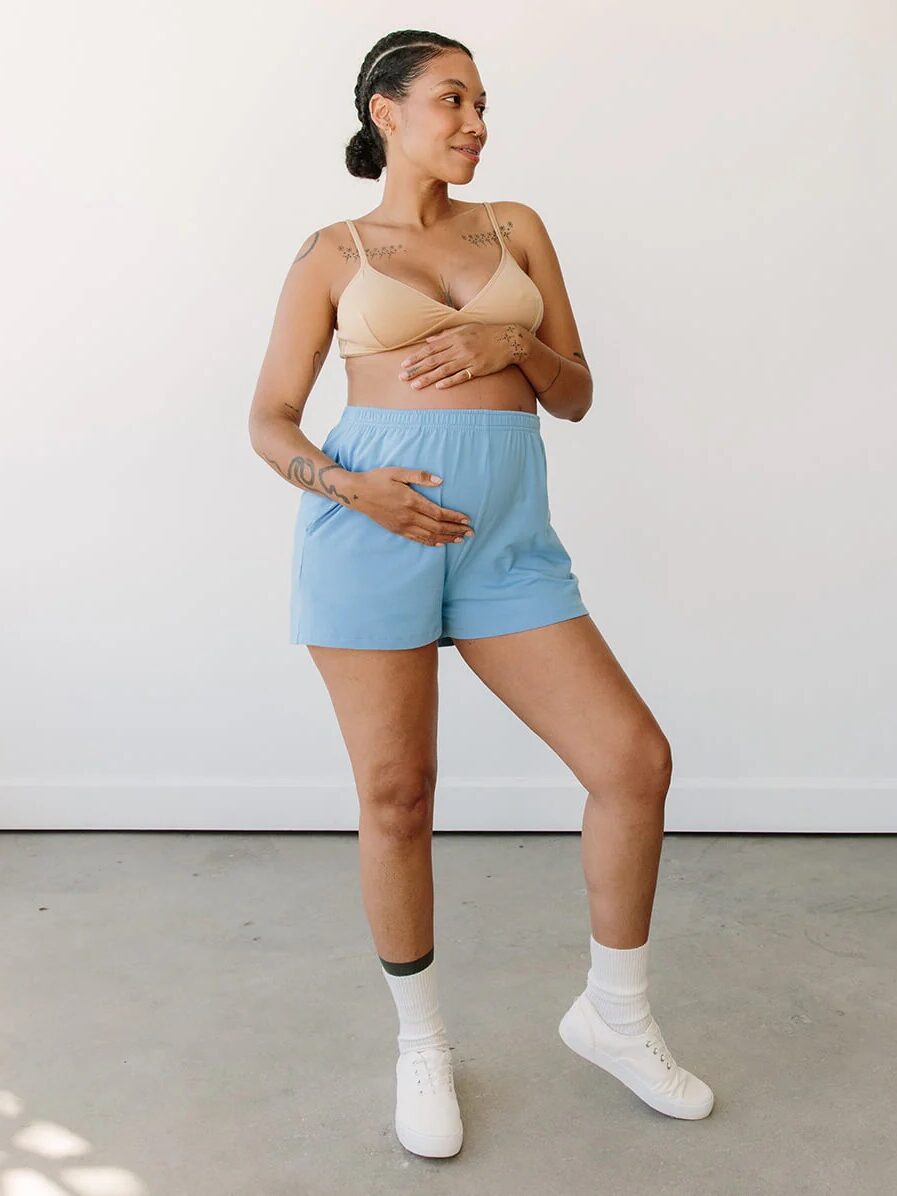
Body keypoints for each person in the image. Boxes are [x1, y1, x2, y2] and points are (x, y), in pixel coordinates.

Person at [248, 29, 714, 1160]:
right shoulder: (330, 252)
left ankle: (616, 1012)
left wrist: (520, 339)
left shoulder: (517, 229)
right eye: (453, 99)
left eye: (482, 103)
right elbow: (268, 419)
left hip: (509, 547)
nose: (475, 121)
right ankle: (421, 1042)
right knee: (399, 795)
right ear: (386, 108)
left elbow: (578, 394)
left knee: (631, 761)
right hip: (370, 538)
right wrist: (355, 490)